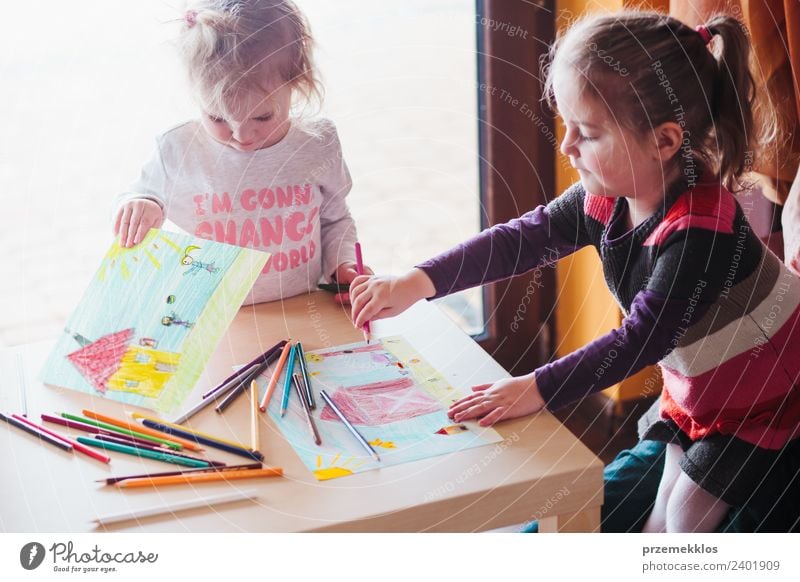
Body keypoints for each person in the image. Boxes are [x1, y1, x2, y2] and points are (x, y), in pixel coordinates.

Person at [350, 11, 800, 533]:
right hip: (706, 387)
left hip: (768, 396)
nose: (566, 147)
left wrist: (534, 388)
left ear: (664, 141)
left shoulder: (700, 234)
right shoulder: (609, 197)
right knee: (662, 517)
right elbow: (525, 237)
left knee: (683, 520)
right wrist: (418, 281)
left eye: (585, 133)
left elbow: (638, 340)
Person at [113, 0, 369, 304]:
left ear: (296, 82)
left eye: (262, 117)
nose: (241, 136)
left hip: (302, 306)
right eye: (217, 118)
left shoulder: (317, 143)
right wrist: (142, 203)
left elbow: (335, 219)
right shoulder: (178, 148)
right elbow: (139, 195)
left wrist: (343, 266)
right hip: (215, 315)